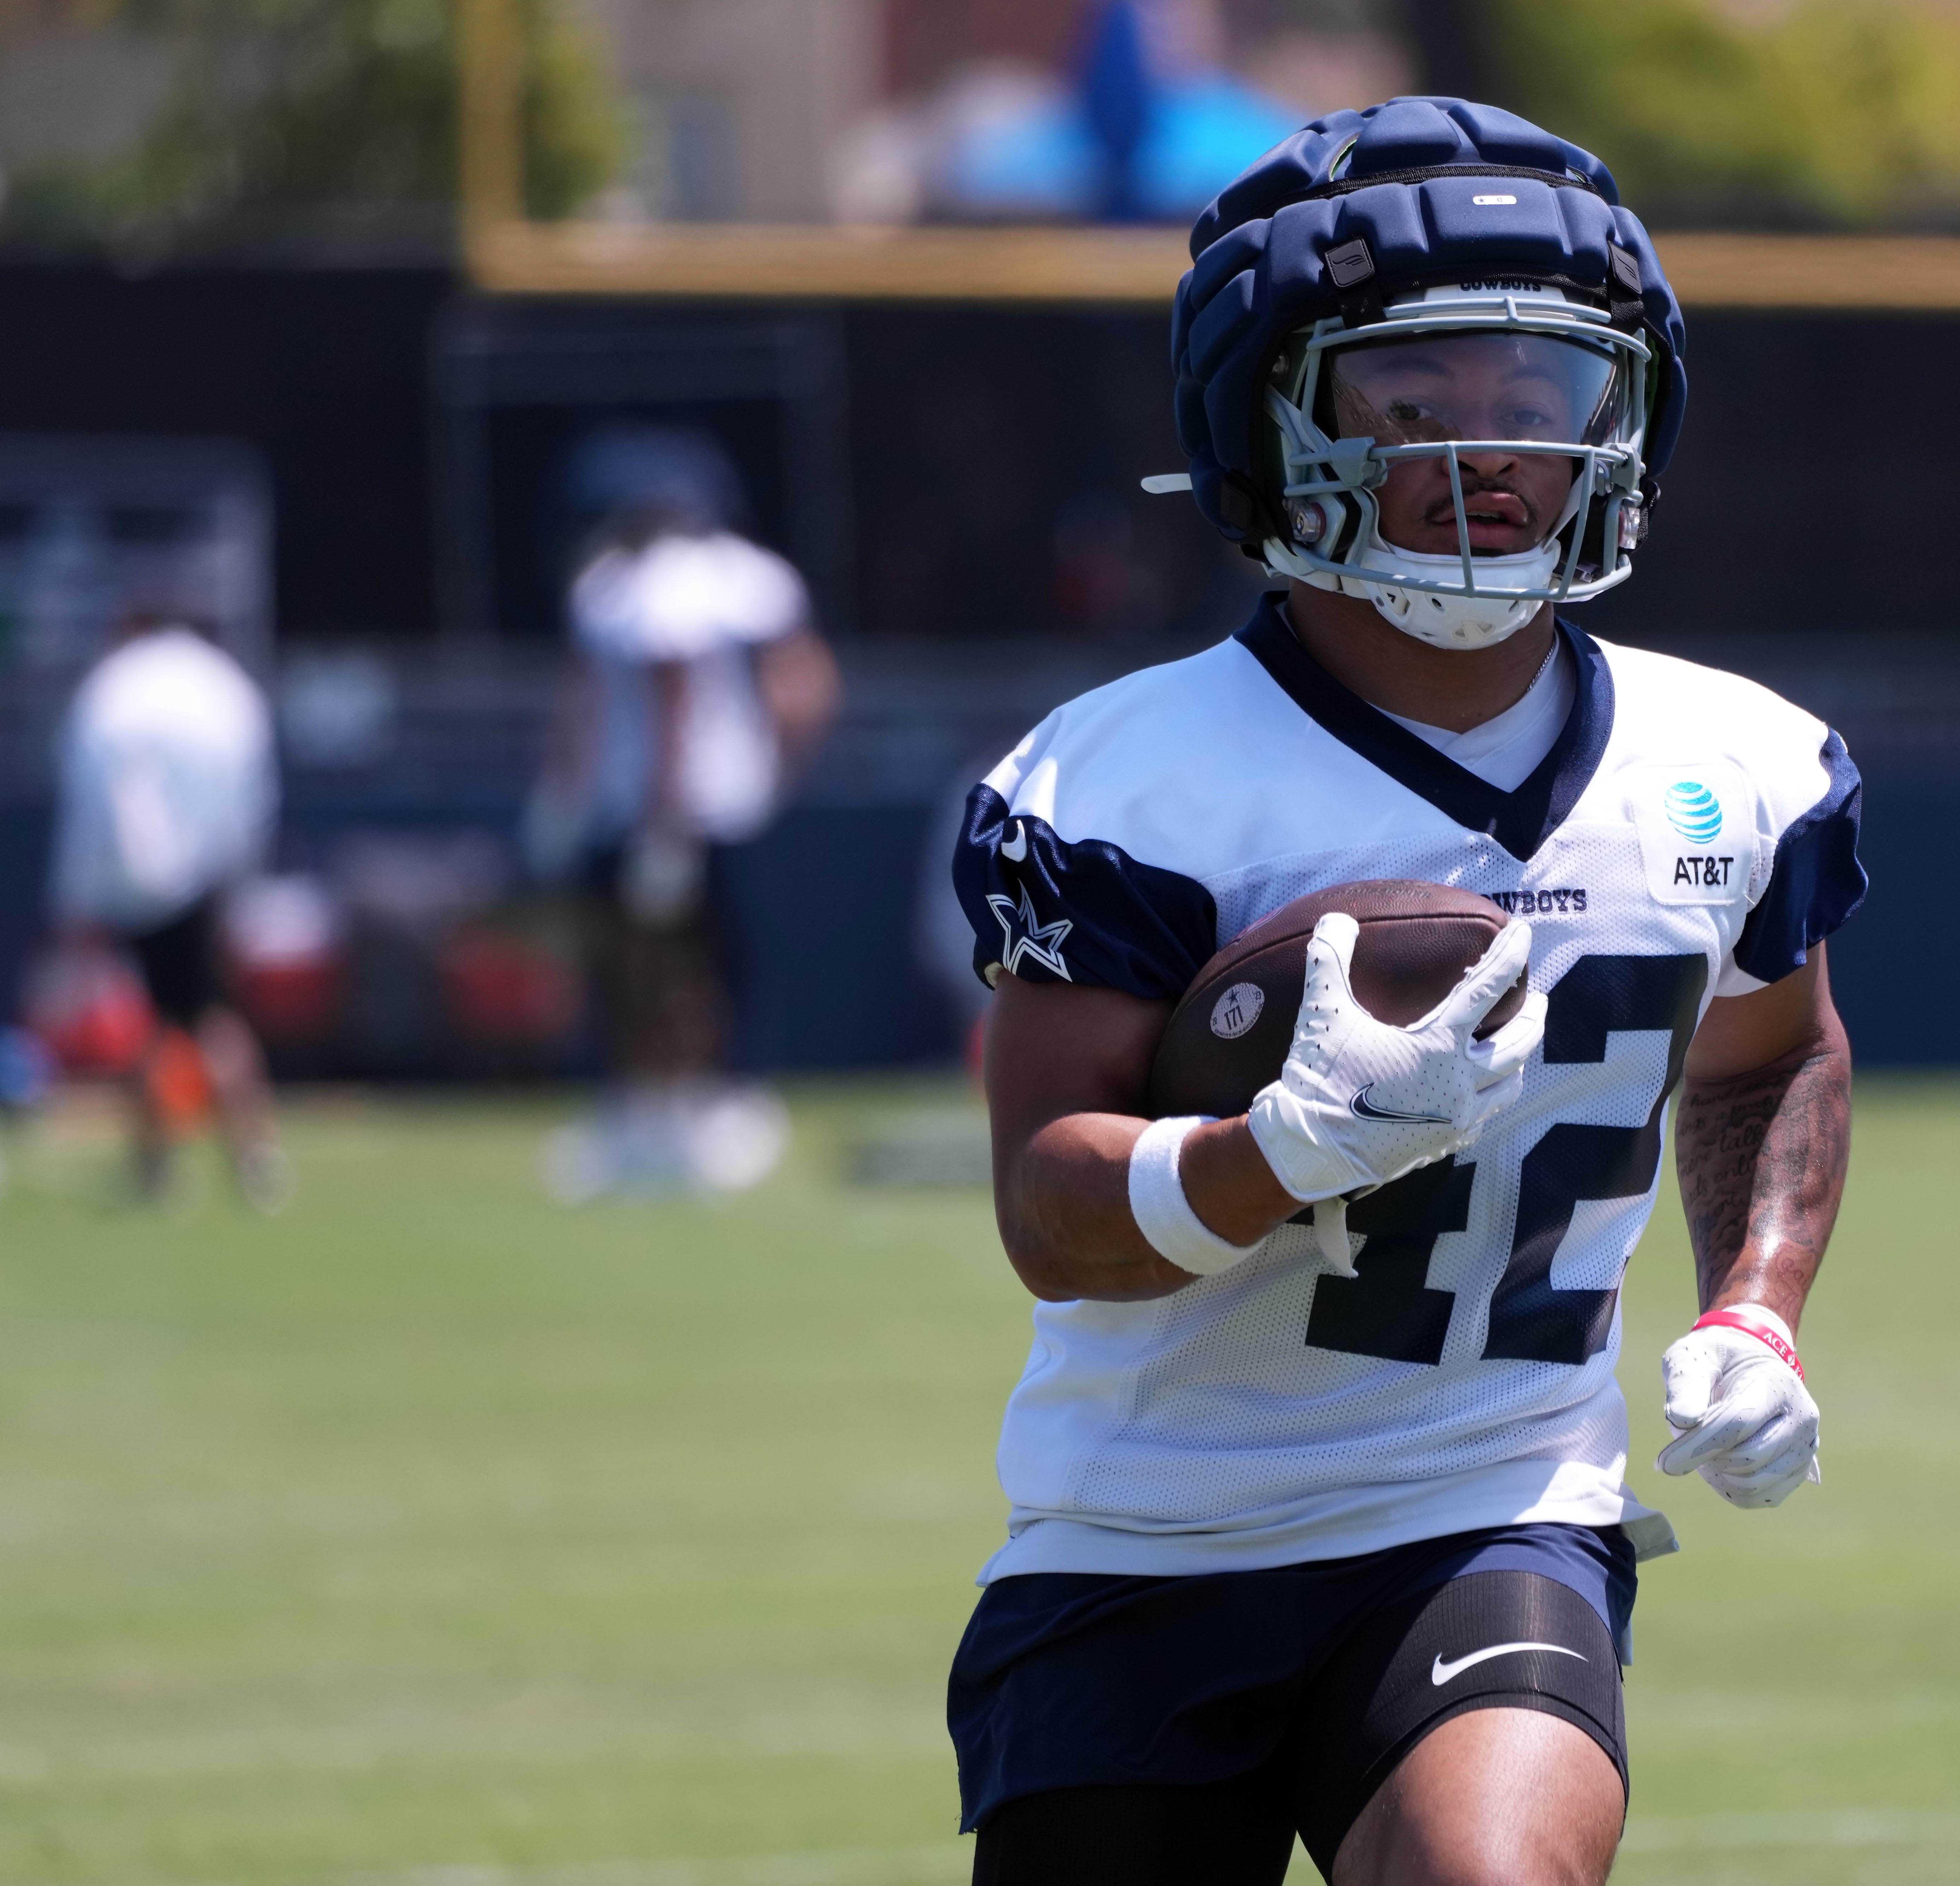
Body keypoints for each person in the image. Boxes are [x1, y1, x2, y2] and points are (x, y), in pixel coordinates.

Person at [946, 100, 1866, 1885]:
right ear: (1266, 417)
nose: (1491, 451)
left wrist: (1757, 1305)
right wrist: (1275, 1153)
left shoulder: (1736, 761)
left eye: (1541, 392)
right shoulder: (1125, 784)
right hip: (1140, 1539)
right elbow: (1052, 1214)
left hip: (1488, 1509)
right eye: (1411, 391)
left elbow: (1768, 1053)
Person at [526, 428, 842, 1199]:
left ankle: (711, 1111)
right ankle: (650, 1114)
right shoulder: (615, 582)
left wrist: (666, 812)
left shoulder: (695, 582)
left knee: (692, 963)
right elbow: (588, 701)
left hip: (681, 812)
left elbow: (686, 697)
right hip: (666, 806)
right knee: (645, 965)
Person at [48, 609, 285, 1207]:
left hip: (141, 880)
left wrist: (76, 897)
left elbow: (89, 795)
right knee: (197, 1016)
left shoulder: (115, 687)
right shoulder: (222, 684)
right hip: (206, 873)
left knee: (176, 1021)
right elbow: (254, 796)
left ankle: (171, 1164)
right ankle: (231, 1161)